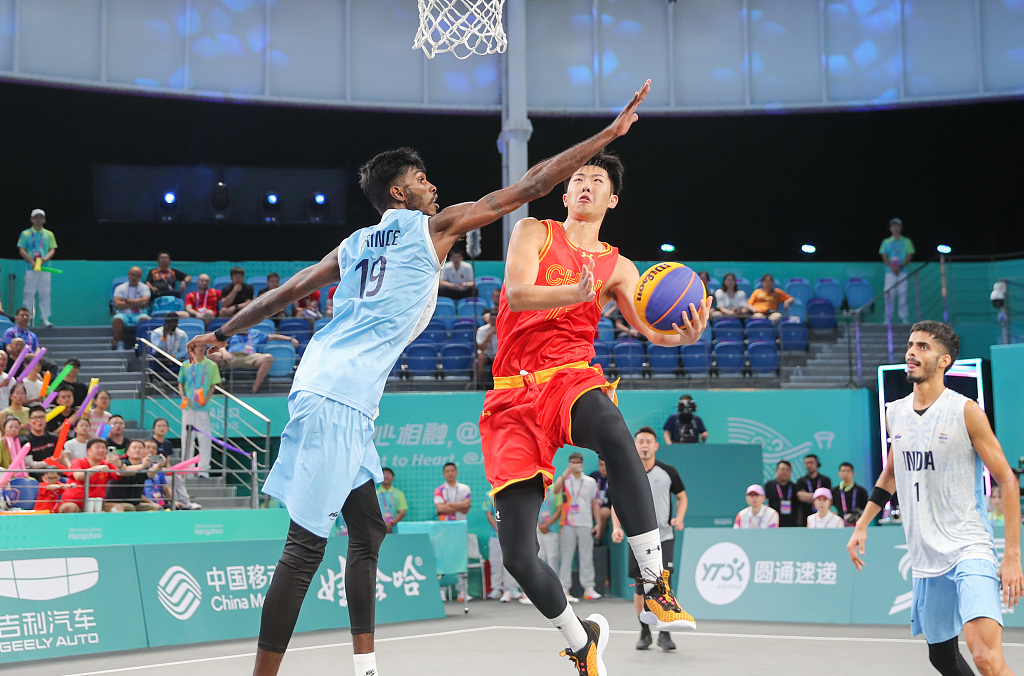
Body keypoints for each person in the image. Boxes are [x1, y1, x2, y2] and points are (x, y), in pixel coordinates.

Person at [184, 83, 648, 676]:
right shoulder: (432, 228)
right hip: (337, 396)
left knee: (368, 532)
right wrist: (607, 136)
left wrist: (225, 331)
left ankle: (365, 667)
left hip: (332, 388)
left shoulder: (353, 245)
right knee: (304, 551)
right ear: (401, 192)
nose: (434, 185)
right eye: (423, 178)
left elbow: (289, 291)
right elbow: (532, 187)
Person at [480, 89, 710, 674]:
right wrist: (575, 292)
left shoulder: (621, 267)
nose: (585, 185)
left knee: (613, 430)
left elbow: (650, 332)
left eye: (596, 181)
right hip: (511, 395)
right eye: (577, 178)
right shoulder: (534, 232)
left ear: (612, 198)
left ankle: (654, 583)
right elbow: (518, 294)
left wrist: (682, 337)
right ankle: (581, 640)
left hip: (569, 376)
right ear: (565, 192)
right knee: (519, 555)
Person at [847, 321, 1022, 676]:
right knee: (941, 657)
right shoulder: (894, 412)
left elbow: (1007, 479)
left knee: (986, 657)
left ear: (944, 361)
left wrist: (1012, 556)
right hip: (926, 556)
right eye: (911, 345)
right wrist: (862, 524)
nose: (911, 352)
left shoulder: (965, 411)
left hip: (968, 548)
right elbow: (891, 474)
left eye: (923, 347)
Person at [610, 426, 687, 652]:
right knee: (641, 588)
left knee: (663, 586)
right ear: (634, 445)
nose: (644, 445)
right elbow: (617, 504)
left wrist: (679, 518)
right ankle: (644, 631)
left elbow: (682, 497)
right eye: (640, 441)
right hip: (637, 539)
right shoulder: (625, 472)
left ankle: (665, 633)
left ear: (655, 446)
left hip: (664, 537)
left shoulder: (668, 471)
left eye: (648, 442)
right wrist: (616, 526)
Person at [550, 452, 601, 602]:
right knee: (566, 555)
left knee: (586, 555)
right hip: (568, 523)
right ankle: (564, 587)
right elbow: (555, 490)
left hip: (585, 522)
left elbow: (595, 504)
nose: (575, 465)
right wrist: (566, 473)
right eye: (572, 463)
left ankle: (588, 588)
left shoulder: (590, 482)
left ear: (582, 463)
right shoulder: (565, 479)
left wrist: (598, 523)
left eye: (577, 462)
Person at [210, 328, 297, 394]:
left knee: (268, 358)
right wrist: (224, 352)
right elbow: (219, 343)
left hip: (250, 357)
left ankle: (254, 389)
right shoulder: (231, 333)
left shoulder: (256, 333)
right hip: (232, 356)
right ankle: (221, 388)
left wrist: (290, 339)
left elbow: (273, 336)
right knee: (213, 356)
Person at [177, 349, 222, 477]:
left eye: (202, 347)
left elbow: (213, 385)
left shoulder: (211, 365)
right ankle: (187, 469)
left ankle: (204, 469)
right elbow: (180, 382)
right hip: (189, 405)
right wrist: (183, 396)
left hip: (203, 406)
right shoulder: (186, 364)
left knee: (205, 438)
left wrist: (206, 399)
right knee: (186, 437)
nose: (199, 350)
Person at [17, 209, 57, 327]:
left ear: (44, 220)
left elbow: (52, 249)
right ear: (31, 219)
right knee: (28, 293)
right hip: (30, 268)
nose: (38, 219)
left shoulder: (49, 234)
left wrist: (45, 259)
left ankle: (45, 319)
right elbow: (21, 249)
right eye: (36, 217)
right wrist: (30, 260)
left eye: (40, 217)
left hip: (45, 269)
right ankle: (26, 319)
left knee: (45, 293)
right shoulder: (25, 234)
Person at [59, 438, 119, 513]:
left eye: (103, 448)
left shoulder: (107, 464)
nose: (101, 450)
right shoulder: (77, 461)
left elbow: (121, 474)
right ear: (88, 451)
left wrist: (118, 463)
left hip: (97, 503)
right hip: (74, 502)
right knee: (69, 508)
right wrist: (96, 468)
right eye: (97, 447)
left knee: (120, 508)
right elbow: (79, 476)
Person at [483, 492, 522, 602]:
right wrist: (498, 528)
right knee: (495, 561)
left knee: (510, 561)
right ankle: (496, 588)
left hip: (511, 534)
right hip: (495, 535)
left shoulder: (512, 494)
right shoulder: (489, 495)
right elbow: (489, 513)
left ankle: (511, 588)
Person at [104, 439, 161, 511]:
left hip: (135, 503)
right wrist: (142, 465)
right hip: (115, 502)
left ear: (144, 452)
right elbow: (125, 470)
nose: (137, 450)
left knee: (152, 508)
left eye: (140, 448)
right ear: (127, 452)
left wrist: (160, 465)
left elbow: (150, 473)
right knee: (130, 508)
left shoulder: (145, 466)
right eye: (134, 447)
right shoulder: (121, 464)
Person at [879, 218, 915, 325]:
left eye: (897, 226)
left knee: (902, 295)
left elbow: (909, 255)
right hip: (890, 273)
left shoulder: (907, 241)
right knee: (889, 295)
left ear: (901, 227)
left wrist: (900, 266)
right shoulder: (886, 242)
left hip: (902, 272)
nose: (895, 228)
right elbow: (884, 256)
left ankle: (904, 318)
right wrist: (892, 267)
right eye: (893, 226)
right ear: (890, 228)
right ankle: (887, 319)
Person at [111, 266, 152, 350]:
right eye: (133, 275)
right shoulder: (120, 288)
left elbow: (144, 302)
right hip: (124, 314)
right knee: (117, 319)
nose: (134, 277)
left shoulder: (144, 288)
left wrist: (126, 300)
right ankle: (119, 342)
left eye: (137, 275)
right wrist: (137, 303)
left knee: (144, 319)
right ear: (129, 275)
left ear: (140, 277)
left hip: (140, 313)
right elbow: (117, 304)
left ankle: (139, 344)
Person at [795, 454, 832, 525]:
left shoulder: (825, 480)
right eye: (806, 463)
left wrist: (807, 495)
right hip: (805, 515)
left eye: (811, 463)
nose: (809, 465)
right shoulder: (801, 481)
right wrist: (819, 496)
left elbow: (827, 498)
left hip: (823, 516)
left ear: (817, 463)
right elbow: (801, 497)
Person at [764, 460, 800, 527]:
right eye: (782, 469)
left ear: (790, 472)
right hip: (773, 523)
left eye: (787, 470)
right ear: (776, 471)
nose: (784, 472)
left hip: (791, 524)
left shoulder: (795, 487)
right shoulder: (769, 485)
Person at [375, 467, 407, 533]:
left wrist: (391, 524)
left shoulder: (399, 493)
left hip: (395, 528)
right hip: (377, 528)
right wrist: (381, 524)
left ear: (393, 477)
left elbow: (402, 512)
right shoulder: (374, 494)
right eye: (384, 474)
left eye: (389, 474)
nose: (386, 477)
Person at [475, 308, 498, 383]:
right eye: (492, 320)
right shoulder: (482, 330)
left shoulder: (504, 329)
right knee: (480, 355)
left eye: (495, 320)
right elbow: (481, 347)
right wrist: (490, 334)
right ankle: (479, 382)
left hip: (499, 355)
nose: (493, 322)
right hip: (487, 355)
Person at [589, 458, 611, 541]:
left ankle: (598, 537)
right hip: (593, 505)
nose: (604, 467)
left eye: (606, 465)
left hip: (606, 506)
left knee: (604, 512)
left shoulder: (614, 478)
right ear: (598, 466)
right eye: (601, 465)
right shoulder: (593, 476)